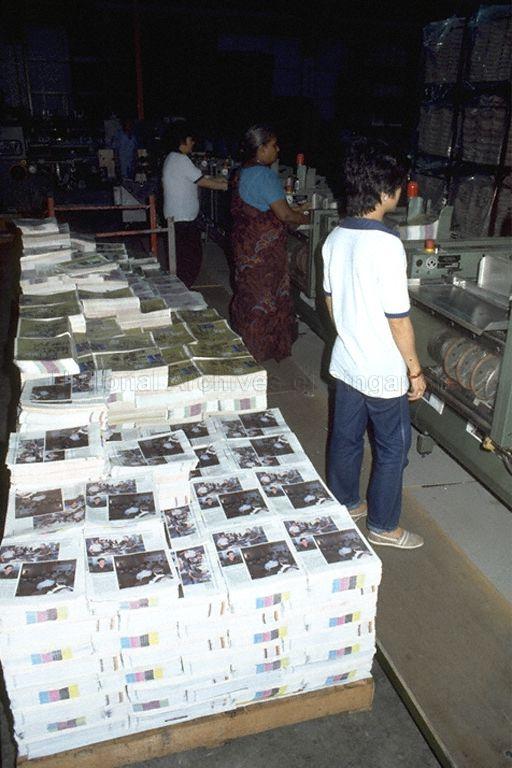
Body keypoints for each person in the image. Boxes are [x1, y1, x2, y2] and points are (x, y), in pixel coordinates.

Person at [322, 138, 426, 550]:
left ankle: (346, 502)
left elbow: (330, 299)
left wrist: (352, 333)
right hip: (382, 371)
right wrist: (414, 371)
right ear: (385, 192)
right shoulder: (386, 244)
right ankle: (383, 526)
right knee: (392, 448)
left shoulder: (335, 236)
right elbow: (398, 319)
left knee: (345, 438)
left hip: (347, 363)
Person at [230, 124, 310, 362]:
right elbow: (285, 215)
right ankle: (264, 349)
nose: (278, 149)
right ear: (261, 148)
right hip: (265, 255)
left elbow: (261, 205)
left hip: (245, 248)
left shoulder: (241, 172)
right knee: (267, 298)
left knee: (249, 295)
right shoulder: (265, 175)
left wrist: (293, 210)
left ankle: (245, 344)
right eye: (274, 145)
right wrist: (307, 217)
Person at [162, 123, 228, 287]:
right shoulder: (181, 159)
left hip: (177, 218)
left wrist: (219, 179)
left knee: (182, 258)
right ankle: (183, 290)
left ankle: (181, 288)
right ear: (183, 141)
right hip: (182, 220)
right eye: (190, 140)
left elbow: (197, 177)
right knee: (191, 259)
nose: (193, 143)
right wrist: (226, 186)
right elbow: (203, 182)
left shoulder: (172, 158)